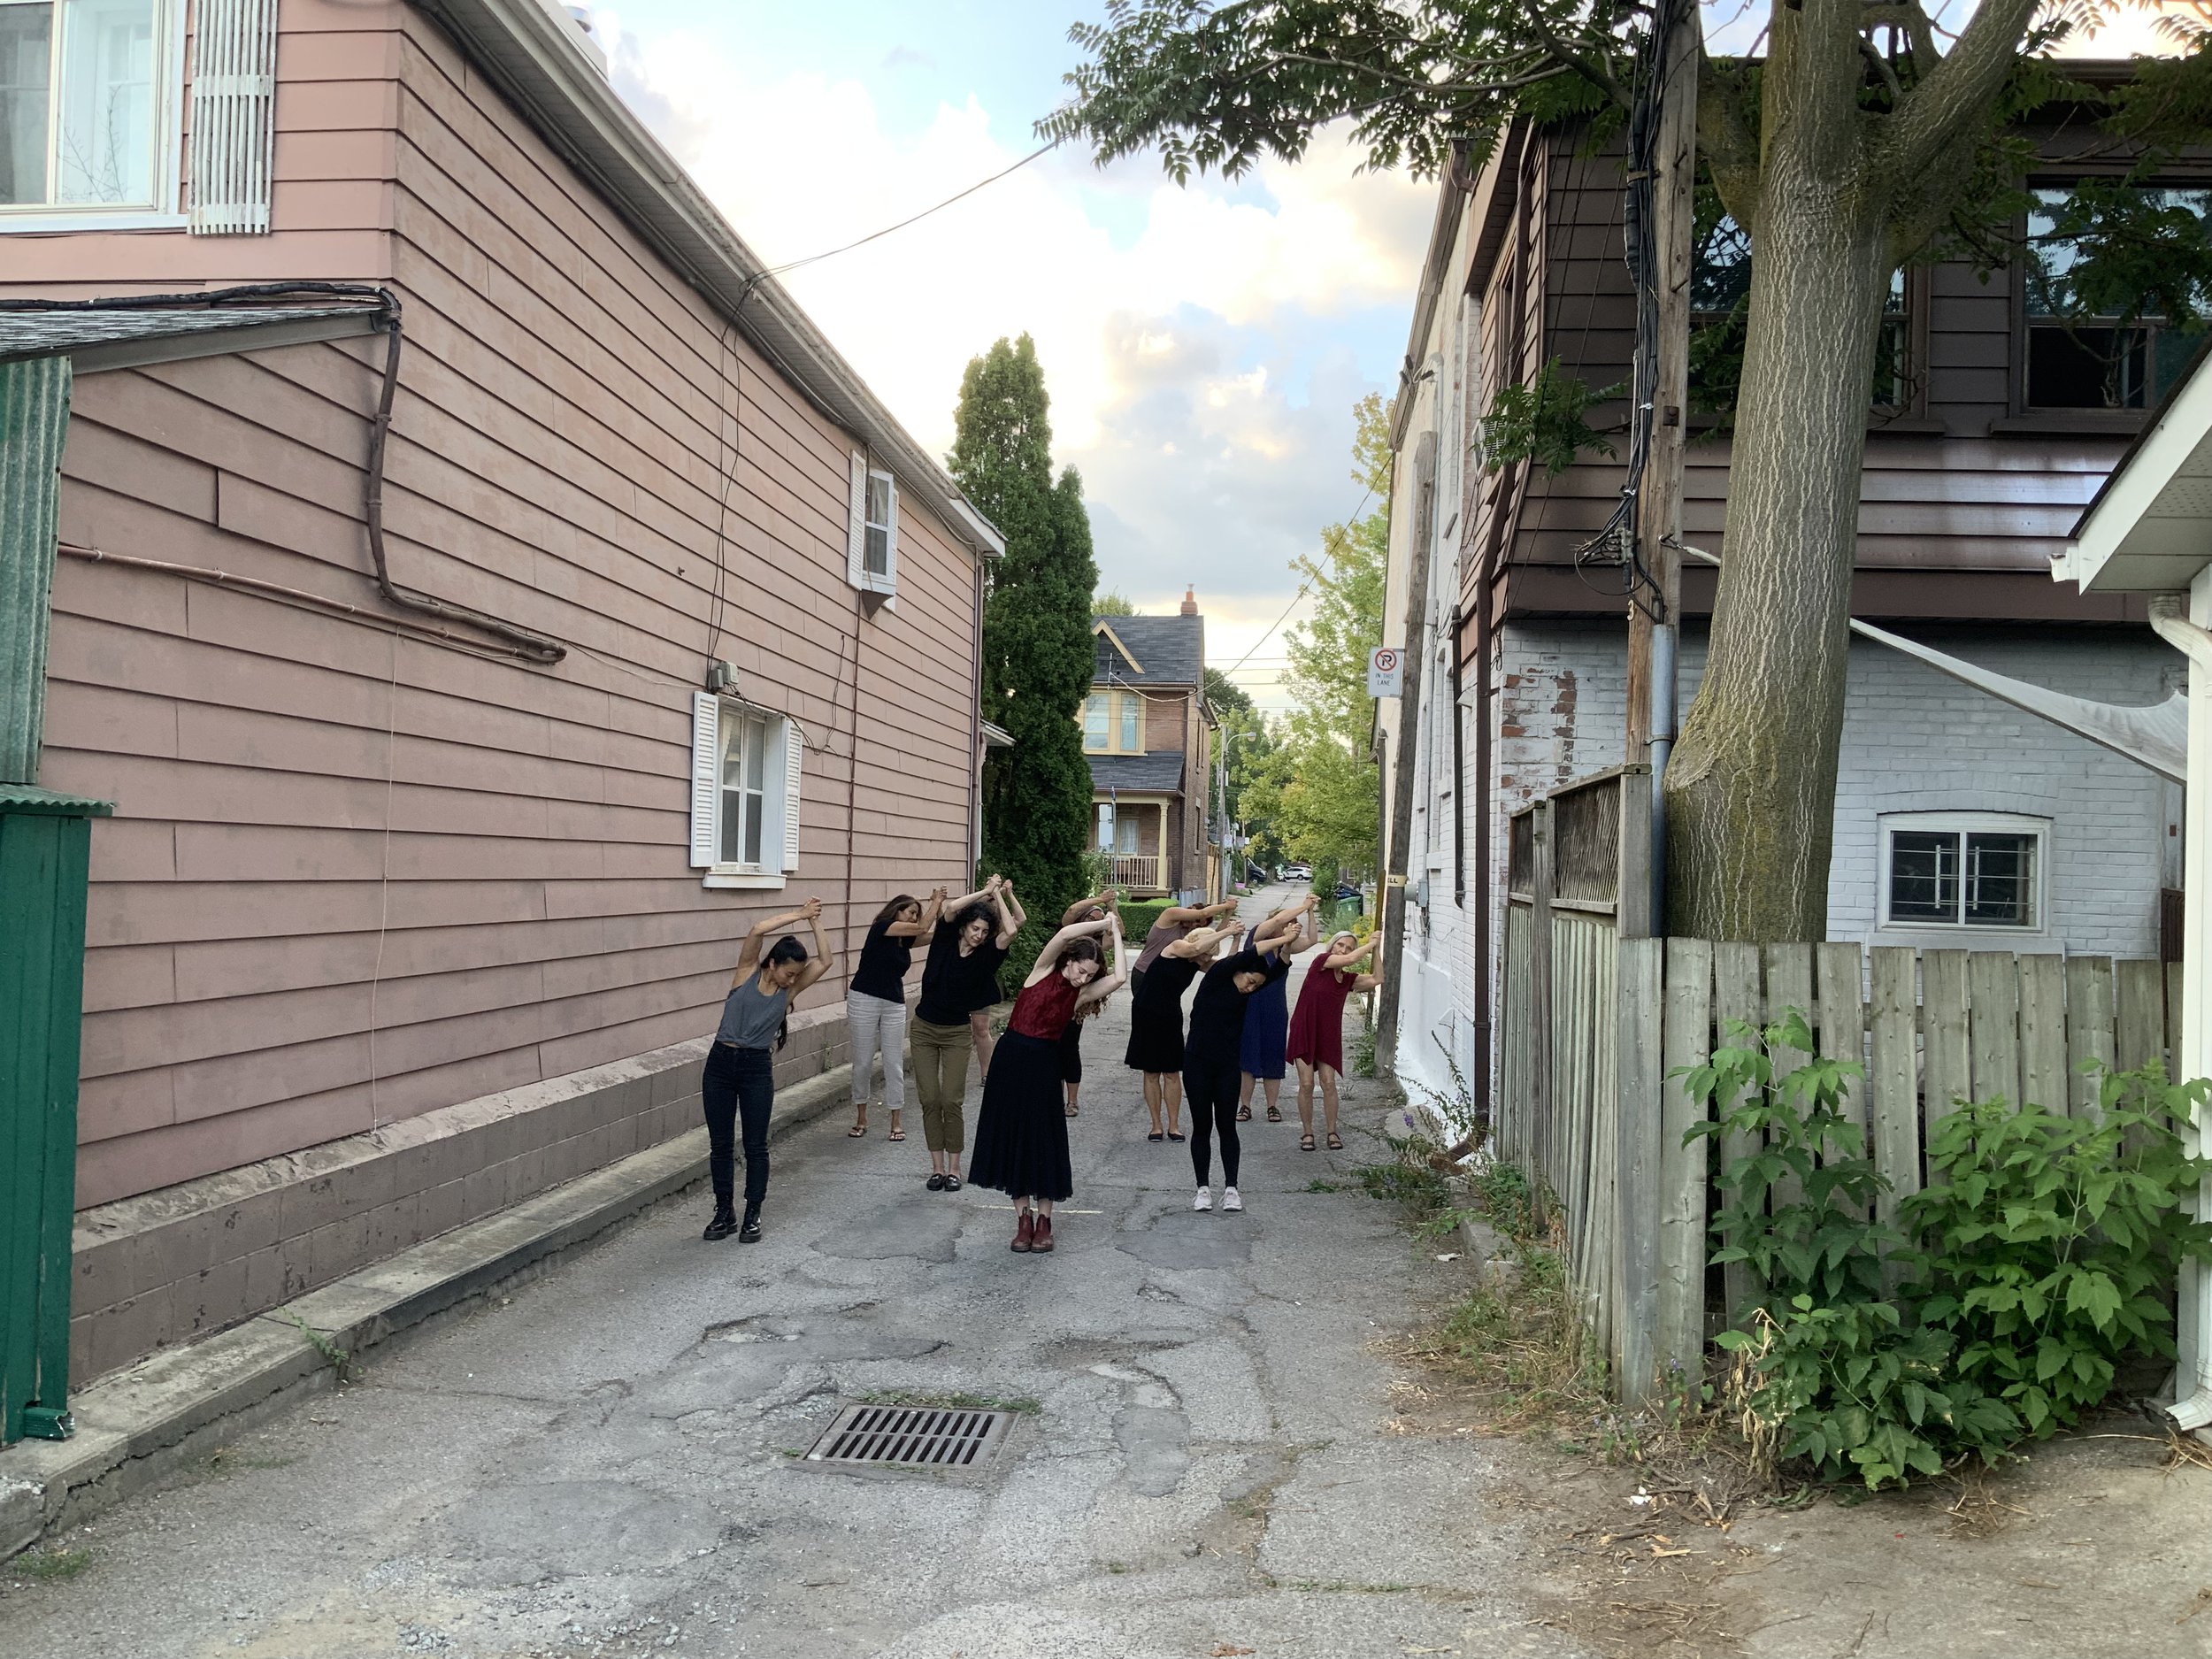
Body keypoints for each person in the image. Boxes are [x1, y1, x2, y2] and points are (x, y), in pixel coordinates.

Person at [969, 911, 1128, 1254]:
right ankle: (1022, 1220)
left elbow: (1119, 977)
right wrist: (1103, 923)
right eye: (1081, 970)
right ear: (1069, 961)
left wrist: (1116, 932)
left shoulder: (1080, 995)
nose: (1082, 978)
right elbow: (1066, 932)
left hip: (1044, 1063)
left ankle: (1044, 1222)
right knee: (1014, 1135)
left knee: (1042, 1139)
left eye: (1089, 975)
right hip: (1010, 1059)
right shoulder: (1040, 972)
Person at [702, 898, 837, 1242]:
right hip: (720, 1064)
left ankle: (752, 1214)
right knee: (720, 1144)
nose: (791, 979)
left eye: (795, 975)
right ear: (772, 963)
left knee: (756, 1145)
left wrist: (815, 923)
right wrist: (800, 914)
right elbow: (758, 930)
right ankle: (723, 1212)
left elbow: (826, 961)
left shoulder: (788, 988)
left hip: (756, 1069)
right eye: (788, 971)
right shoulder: (745, 973)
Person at [1181, 905, 1306, 1214]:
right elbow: (1256, 948)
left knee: (1227, 1127)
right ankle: (1202, 1189)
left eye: (1256, 987)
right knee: (1201, 1127)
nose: (1250, 988)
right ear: (1240, 970)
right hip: (1197, 1063)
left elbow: (1280, 967)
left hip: (1226, 1067)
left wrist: (1289, 943)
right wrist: (1281, 937)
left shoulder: (1246, 991)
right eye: (1250, 980)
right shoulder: (1219, 976)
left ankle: (1232, 1189)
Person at [909, 878, 1018, 1191]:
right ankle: (937, 1168)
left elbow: (1010, 931)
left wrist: (998, 894)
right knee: (930, 1099)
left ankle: (955, 1169)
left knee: (950, 1100)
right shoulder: (944, 938)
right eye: (975, 929)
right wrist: (985, 892)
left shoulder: (987, 956)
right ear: (964, 928)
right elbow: (951, 907)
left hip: (957, 1032)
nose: (979, 935)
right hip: (924, 1029)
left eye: (984, 931)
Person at [1124, 918, 1245, 1141]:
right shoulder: (1176, 947)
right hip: (1146, 1012)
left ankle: (1174, 1125)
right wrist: (1228, 930)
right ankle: (1156, 1125)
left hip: (1170, 1014)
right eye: (1207, 953)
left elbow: (1226, 967)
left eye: (1209, 955)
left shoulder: (1198, 961)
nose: (1206, 958)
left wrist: (1236, 938)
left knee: (1171, 1071)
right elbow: (1196, 948)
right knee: (1151, 1072)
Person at [846, 891, 933, 1141]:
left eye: (917, 914)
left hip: (894, 1002)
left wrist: (949, 922)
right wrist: (936, 902)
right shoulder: (881, 927)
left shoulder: (904, 941)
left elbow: (930, 934)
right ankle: (861, 1117)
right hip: (864, 997)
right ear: (897, 911)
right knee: (863, 1061)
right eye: (911, 913)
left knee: (893, 1062)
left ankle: (896, 1120)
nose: (915, 918)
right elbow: (922, 928)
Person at [1287, 931, 1383, 1152]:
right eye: (1340, 945)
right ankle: (1307, 1132)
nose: (1344, 950)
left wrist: (1377, 949)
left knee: (1329, 1083)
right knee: (1306, 1084)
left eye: (1349, 947)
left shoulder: (1347, 979)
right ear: (1332, 947)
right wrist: (1370, 944)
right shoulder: (1321, 962)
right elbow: (1350, 960)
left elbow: (1377, 979)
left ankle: (1332, 1131)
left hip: (1328, 1034)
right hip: (1305, 1028)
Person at [1238, 901, 1317, 1124]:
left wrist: (1310, 912)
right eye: (1287, 922)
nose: (1290, 926)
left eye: (1293, 923)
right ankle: (1245, 1106)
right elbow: (1276, 921)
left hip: (1275, 1007)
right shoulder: (1256, 939)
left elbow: (1313, 940)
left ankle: (1272, 1106)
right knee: (1248, 1057)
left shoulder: (1286, 947)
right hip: (1251, 1005)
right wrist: (1304, 905)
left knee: (1273, 1055)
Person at [1056, 889, 1118, 1117]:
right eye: (1092, 918)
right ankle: (1053, 1099)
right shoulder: (1068, 936)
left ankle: (1072, 1102)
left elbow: (1118, 933)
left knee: (1069, 1048)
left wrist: (1112, 909)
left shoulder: (1099, 944)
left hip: (1078, 1000)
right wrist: (1102, 899)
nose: (1095, 922)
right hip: (1054, 995)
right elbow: (1072, 910)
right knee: (1051, 1047)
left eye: (1098, 921)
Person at [1128, 895, 1240, 1002]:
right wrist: (1227, 905)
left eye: (1199, 926)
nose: (1194, 925)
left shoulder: (1191, 934)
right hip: (1144, 971)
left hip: (1166, 976)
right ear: (1191, 910)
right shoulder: (1170, 915)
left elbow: (1214, 937)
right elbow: (1203, 913)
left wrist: (1228, 914)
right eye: (1195, 920)